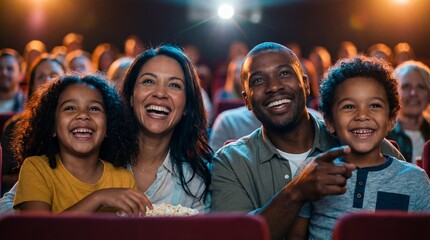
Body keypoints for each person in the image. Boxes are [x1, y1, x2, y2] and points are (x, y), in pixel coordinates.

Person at [210, 42, 404, 240]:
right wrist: (297, 192)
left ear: (305, 83)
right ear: (247, 101)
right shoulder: (230, 163)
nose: (274, 86)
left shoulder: (367, 145)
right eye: (258, 80)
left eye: (284, 73)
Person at [288, 55, 430, 240]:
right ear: (330, 122)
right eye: (348, 106)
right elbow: (295, 236)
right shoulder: (314, 171)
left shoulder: (415, 180)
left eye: (374, 105)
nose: (362, 115)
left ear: (390, 119)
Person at [12, 73, 151, 214]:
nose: (83, 115)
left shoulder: (122, 178)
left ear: (108, 127)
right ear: (52, 126)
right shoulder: (36, 168)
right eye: (70, 108)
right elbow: (37, 232)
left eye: (94, 108)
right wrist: (98, 198)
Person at [121, 44, 212, 213]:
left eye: (174, 85)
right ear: (131, 97)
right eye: (149, 81)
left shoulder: (198, 178)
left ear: (186, 106)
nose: (160, 93)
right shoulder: (98, 161)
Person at [1, 55, 65, 195]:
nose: (48, 81)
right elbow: (4, 178)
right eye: (41, 76)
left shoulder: (78, 123)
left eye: (54, 75)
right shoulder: (15, 125)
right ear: (32, 86)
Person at [387, 61, 430, 164]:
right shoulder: (383, 135)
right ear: (394, 93)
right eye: (406, 86)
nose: (413, 93)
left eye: (421, 87)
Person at [0, 48, 26, 113]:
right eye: (0, 68)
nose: (4, 72)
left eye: (10, 69)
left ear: (21, 75)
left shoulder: (29, 105)